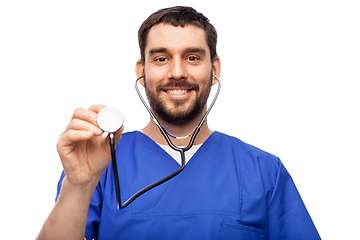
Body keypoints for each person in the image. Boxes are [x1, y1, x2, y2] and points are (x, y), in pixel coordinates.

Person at [37, 6, 321, 240]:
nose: (177, 72)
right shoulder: (100, 163)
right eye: (161, 58)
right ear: (142, 71)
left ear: (214, 69)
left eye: (192, 57)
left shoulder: (263, 171)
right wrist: (78, 184)